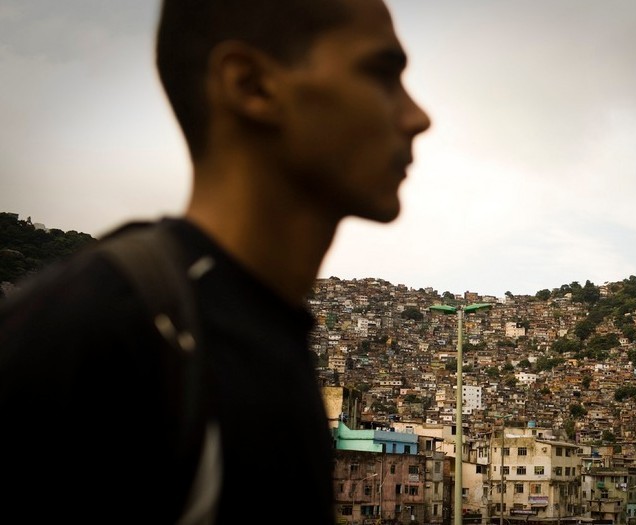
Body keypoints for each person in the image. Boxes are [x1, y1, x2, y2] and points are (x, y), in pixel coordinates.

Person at [0, 0, 430, 522]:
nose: (417, 116)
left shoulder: (272, 342)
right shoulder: (95, 330)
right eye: (382, 73)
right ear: (250, 84)